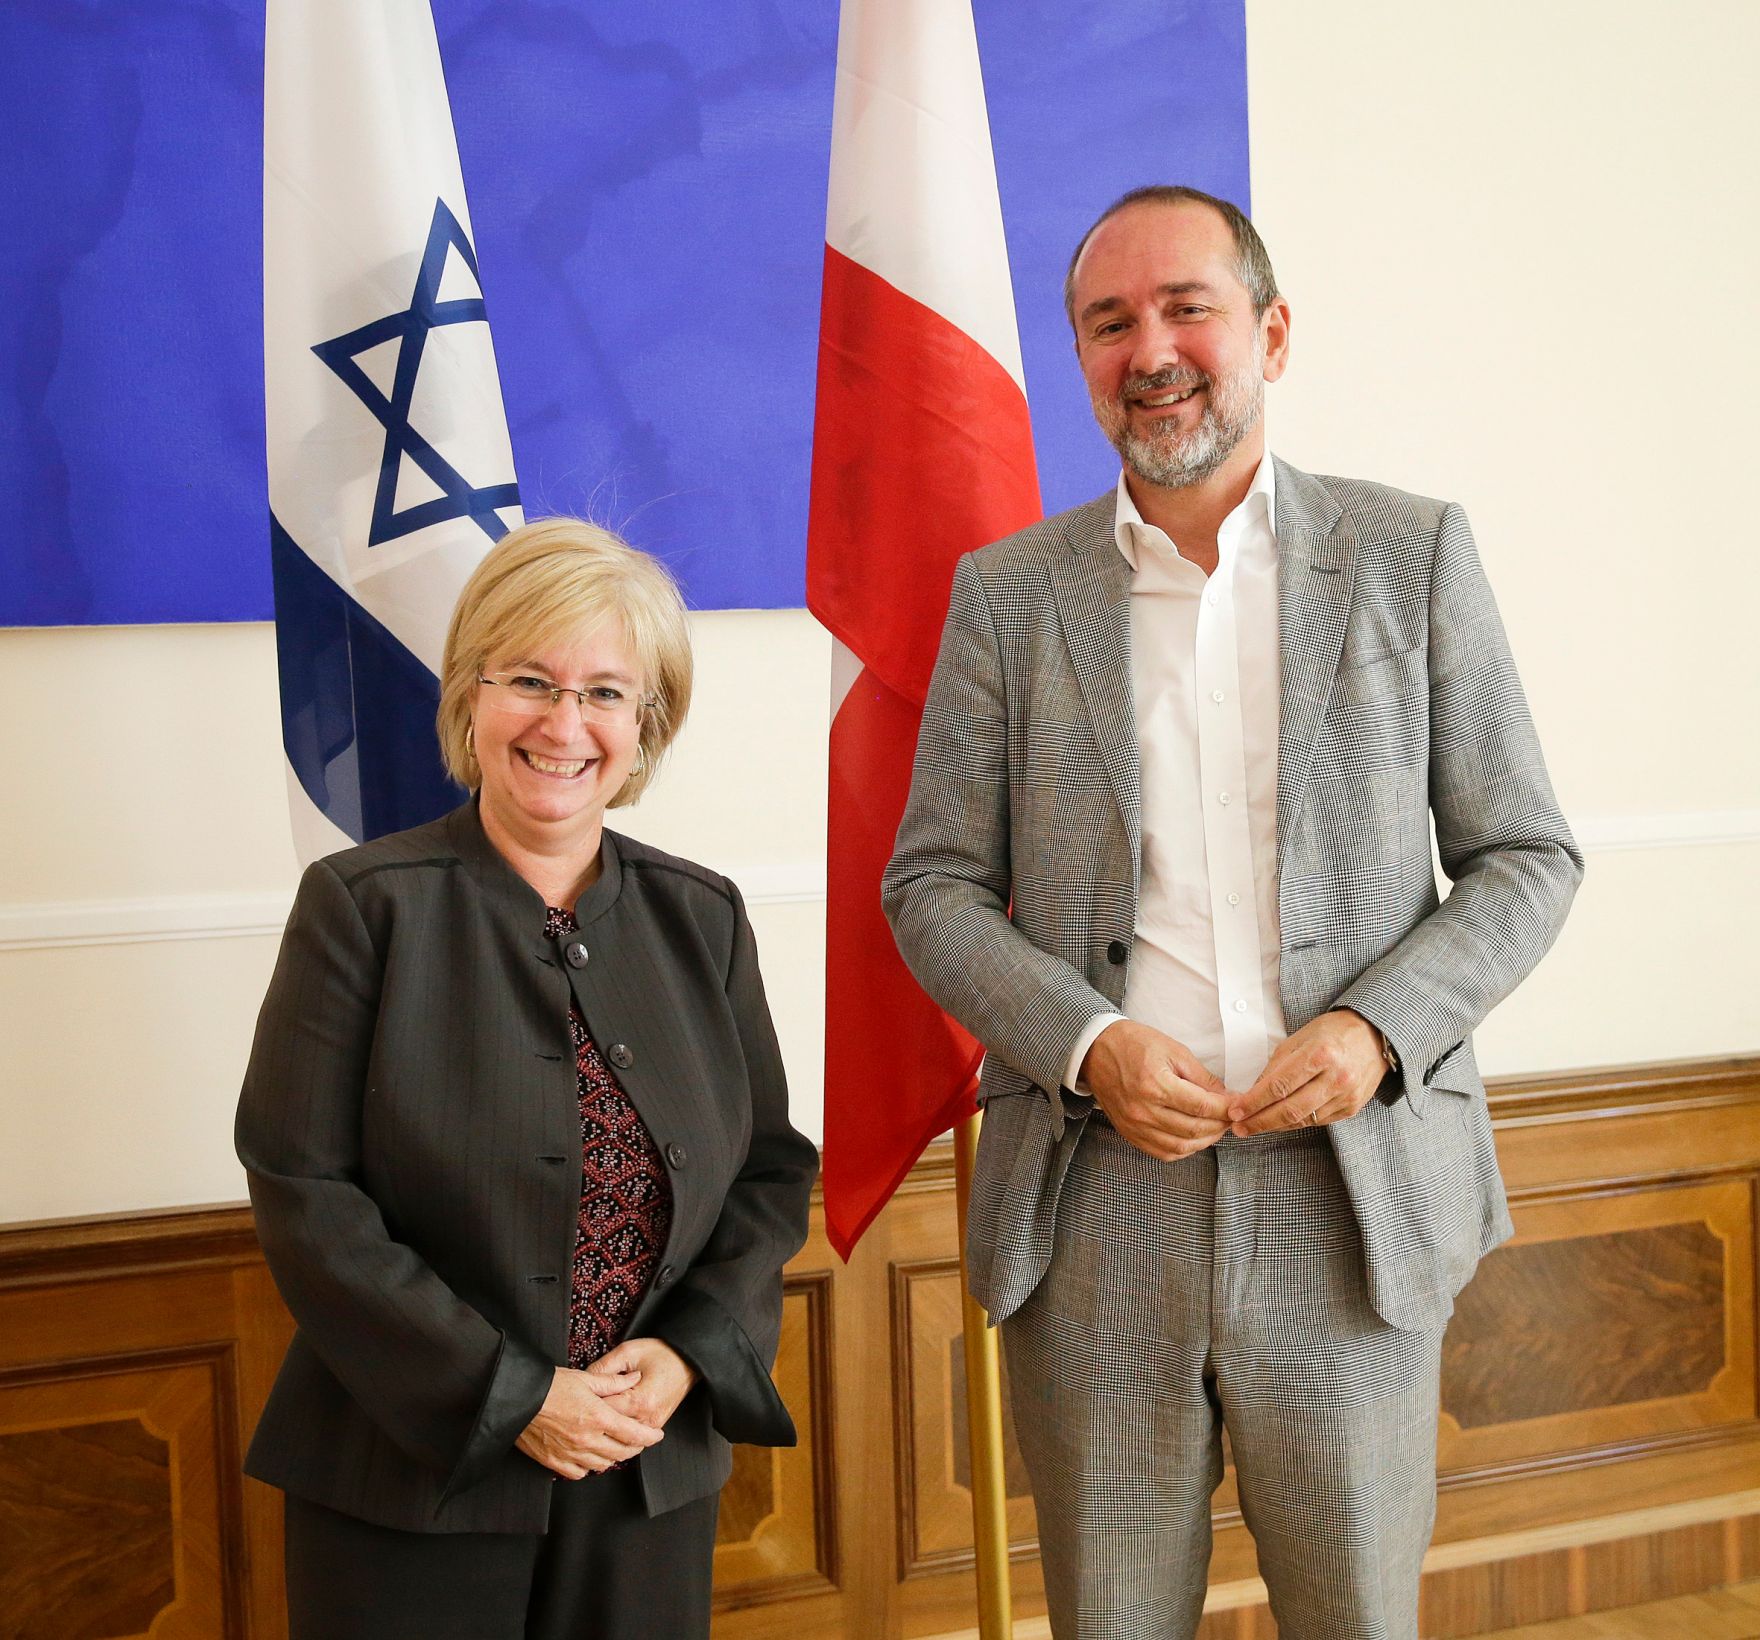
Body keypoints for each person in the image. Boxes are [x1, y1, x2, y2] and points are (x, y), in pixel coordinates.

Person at [883, 185, 1582, 1638]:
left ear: (1270, 331)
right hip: (1093, 1217)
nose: (1153, 350)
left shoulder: (1411, 554)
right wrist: (1088, 1042)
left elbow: (1526, 856)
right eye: (1109, 322)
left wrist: (1379, 1028)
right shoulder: (1006, 596)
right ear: (1080, 359)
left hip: (1353, 1204)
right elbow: (930, 887)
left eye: (1188, 308)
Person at [236, 517, 818, 1640]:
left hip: (644, 1468)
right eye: (530, 681)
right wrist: (513, 1396)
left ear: (645, 724)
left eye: (606, 691)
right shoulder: (365, 908)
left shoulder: (702, 916)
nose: (565, 723)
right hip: (413, 1480)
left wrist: (690, 1354)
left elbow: (766, 1173)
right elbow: (305, 1192)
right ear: (468, 695)